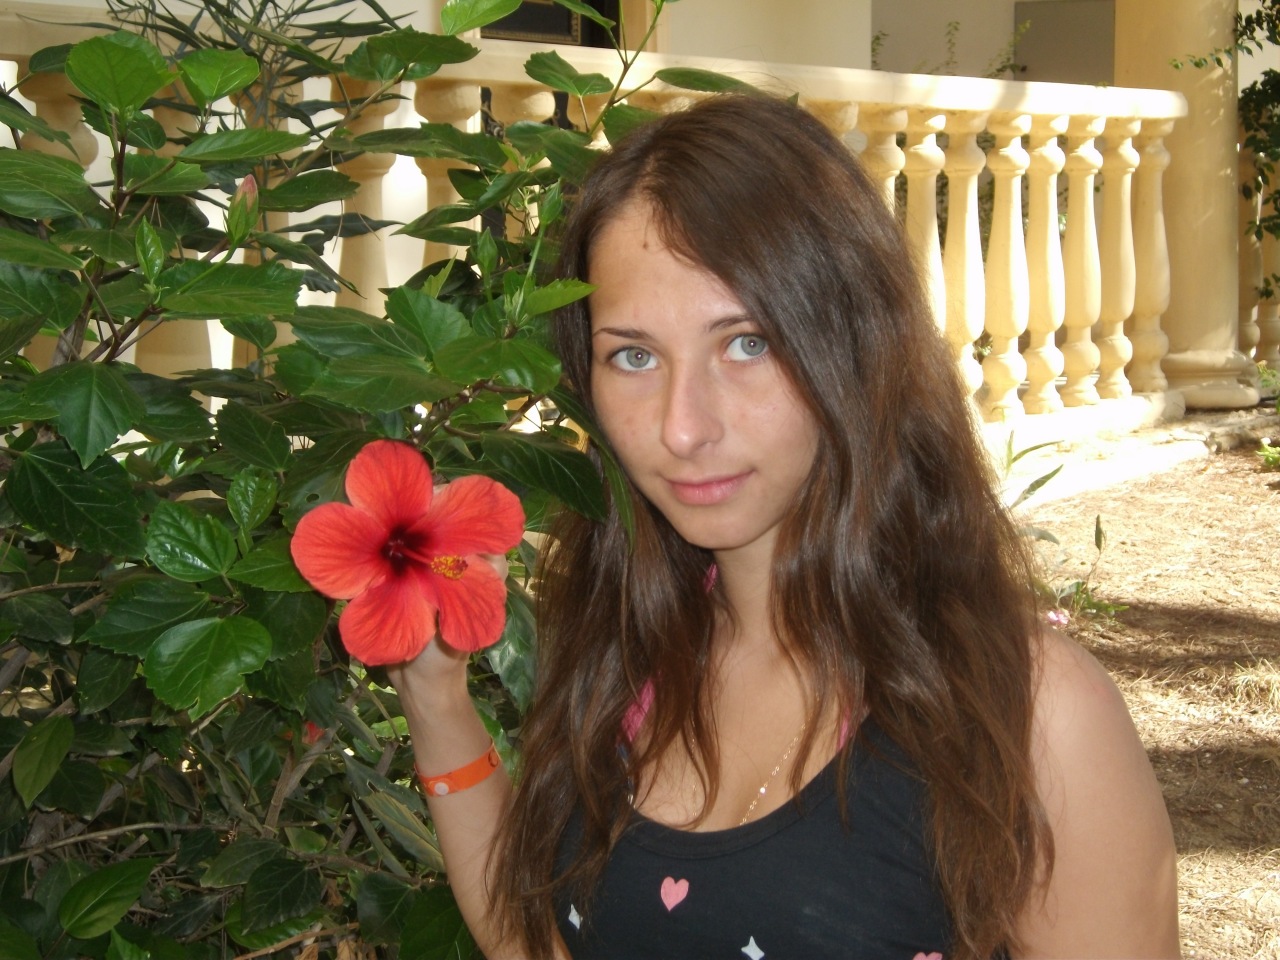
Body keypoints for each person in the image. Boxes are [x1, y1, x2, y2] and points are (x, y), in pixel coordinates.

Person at [387, 93, 1180, 960]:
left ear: (855, 342)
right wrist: (435, 701)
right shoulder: (627, 653)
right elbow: (540, 943)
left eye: (747, 342)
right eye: (634, 356)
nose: (682, 428)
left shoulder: (1032, 719)